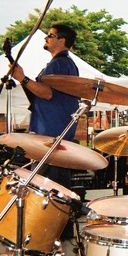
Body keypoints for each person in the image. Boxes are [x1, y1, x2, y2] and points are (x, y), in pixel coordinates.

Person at [10, 24, 80, 188]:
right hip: (55, 133)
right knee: (55, 186)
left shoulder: (59, 64)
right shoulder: (65, 64)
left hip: (51, 134)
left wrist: (22, 78)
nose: (45, 38)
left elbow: (47, 94)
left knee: (46, 187)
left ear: (62, 40)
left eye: (50, 35)